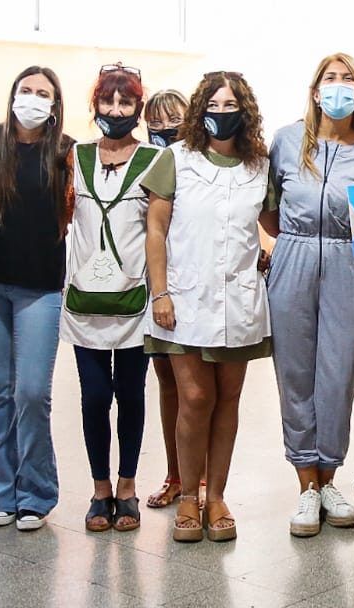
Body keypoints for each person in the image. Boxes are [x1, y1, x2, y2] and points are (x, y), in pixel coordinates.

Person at [146, 71, 276, 542]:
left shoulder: (258, 165)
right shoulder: (176, 159)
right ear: (200, 109)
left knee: (228, 400)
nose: (223, 113)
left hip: (240, 300)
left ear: (246, 111)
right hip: (181, 299)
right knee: (195, 398)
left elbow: (276, 223)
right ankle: (187, 496)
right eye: (214, 105)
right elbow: (156, 230)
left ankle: (217, 495)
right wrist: (160, 292)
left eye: (231, 105)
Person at [263, 53, 354, 538]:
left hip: (347, 262)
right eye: (330, 79)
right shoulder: (287, 140)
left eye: (349, 80)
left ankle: (330, 477)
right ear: (315, 91)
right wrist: (291, 245)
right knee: (295, 374)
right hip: (292, 257)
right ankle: (305, 486)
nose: (339, 87)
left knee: (338, 376)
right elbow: (270, 209)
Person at [0, 66, 74, 531]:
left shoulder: (67, 151)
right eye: (25, 90)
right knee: (0, 393)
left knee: (31, 392)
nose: (31, 98)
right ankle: (3, 493)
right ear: (11, 96)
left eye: (42, 93)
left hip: (40, 287)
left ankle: (37, 493)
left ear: (55, 105)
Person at [64, 64, 160, 533]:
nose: (116, 110)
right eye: (108, 101)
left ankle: (127, 486)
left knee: (131, 394)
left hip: (133, 303)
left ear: (137, 109)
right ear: (95, 105)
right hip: (85, 303)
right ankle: (99, 488)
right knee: (94, 397)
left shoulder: (154, 160)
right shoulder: (75, 156)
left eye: (125, 103)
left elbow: (162, 231)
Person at [141, 89, 188, 510]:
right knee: (169, 384)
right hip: (157, 289)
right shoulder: (146, 163)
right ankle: (175, 475)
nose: (163, 128)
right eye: (154, 122)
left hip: (198, 288)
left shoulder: (198, 161)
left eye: (172, 119)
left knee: (201, 390)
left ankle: (202, 479)